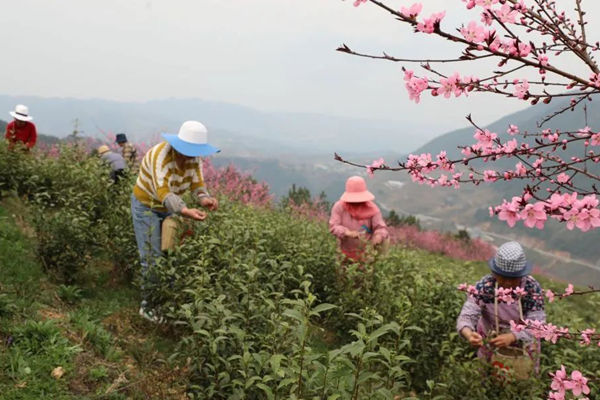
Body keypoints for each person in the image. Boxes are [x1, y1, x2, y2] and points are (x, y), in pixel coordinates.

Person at [131, 120, 219, 322]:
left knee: (170, 255)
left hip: (171, 210)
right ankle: (148, 306)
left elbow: (197, 183)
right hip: (147, 205)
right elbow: (163, 192)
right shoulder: (160, 157)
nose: (190, 156)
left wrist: (205, 198)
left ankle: (166, 301)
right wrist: (185, 210)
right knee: (152, 258)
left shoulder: (194, 160)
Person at [456, 241, 546, 371]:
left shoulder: (531, 288)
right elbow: (467, 315)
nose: (508, 283)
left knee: (521, 379)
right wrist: (469, 334)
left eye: (514, 278)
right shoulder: (486, 286)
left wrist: (513, 336)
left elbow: (538, 324)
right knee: (489, 376)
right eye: (503, 277)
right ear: (494, 273)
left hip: (524, 347)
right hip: (491, 342)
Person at [329, 176, 389, 262]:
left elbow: (381, 228)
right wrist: (347, 232)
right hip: (344, 251)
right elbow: (334, 226)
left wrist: (378, 236)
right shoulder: (339, 207)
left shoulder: (373, 209)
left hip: (366, 252)